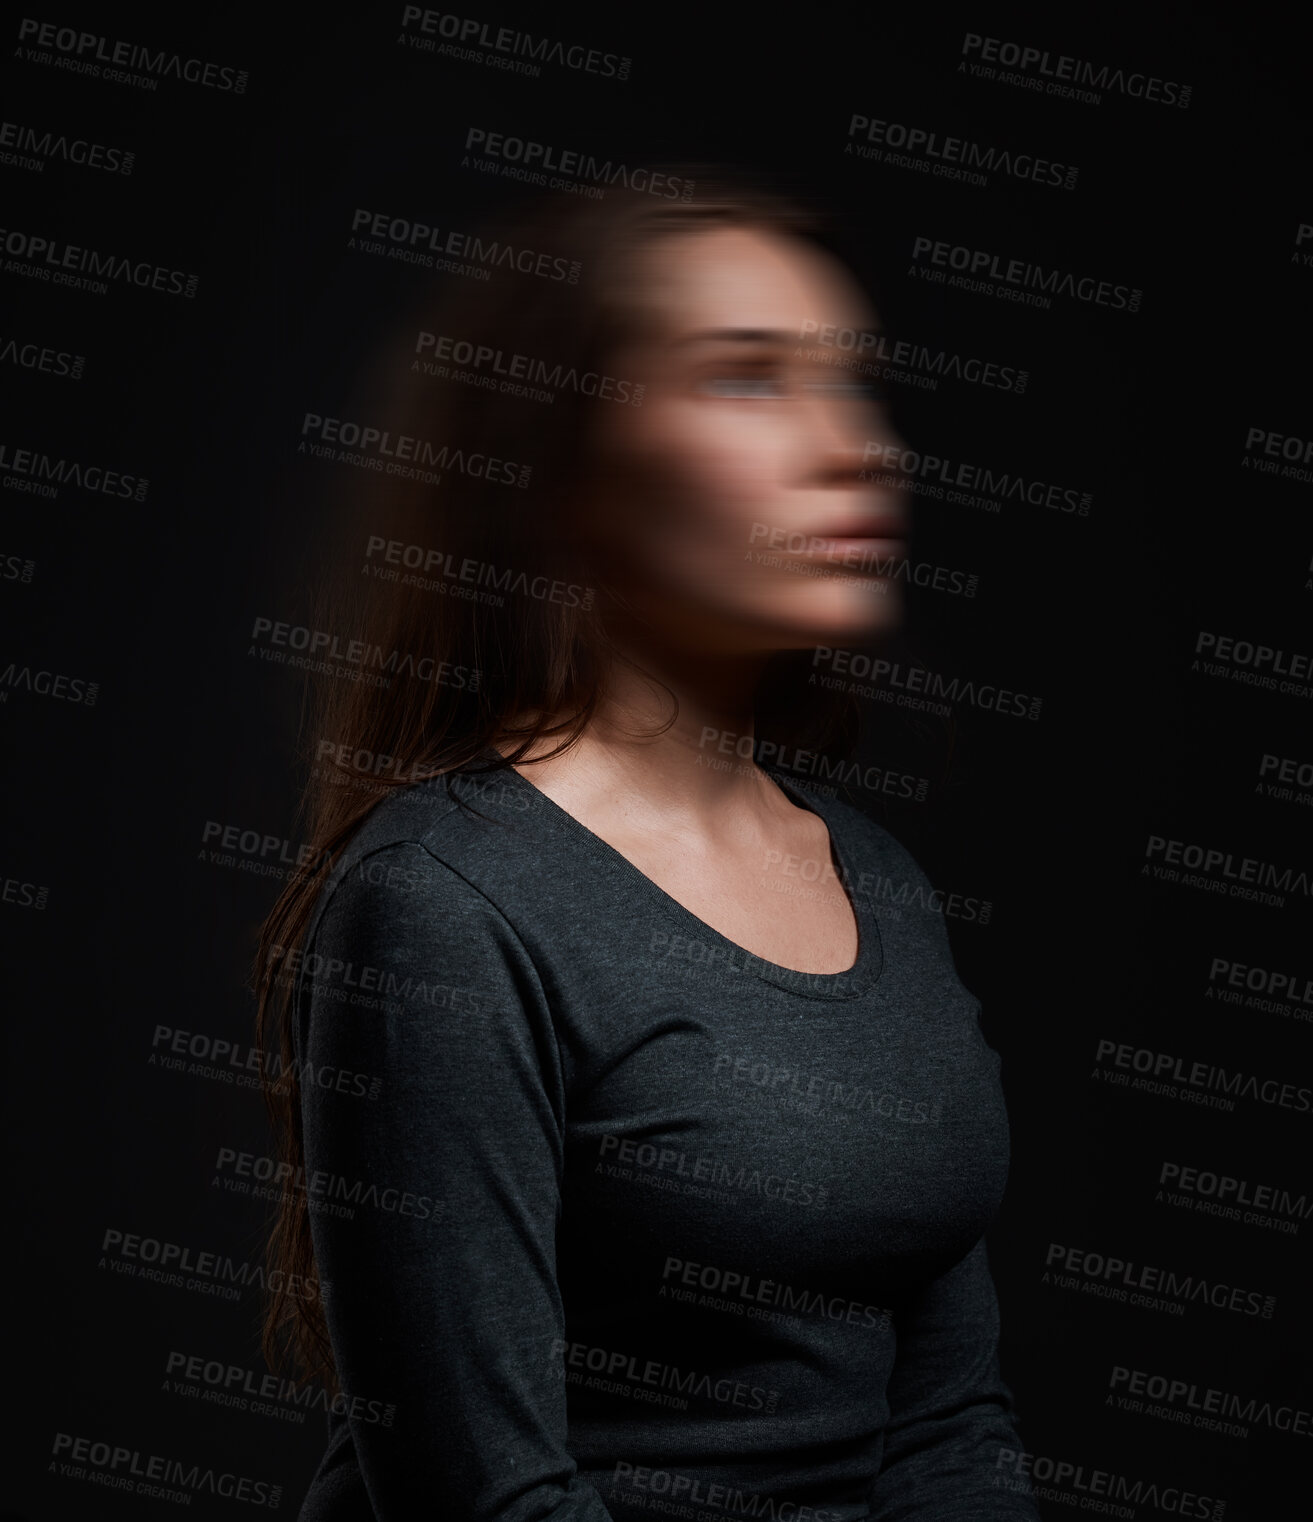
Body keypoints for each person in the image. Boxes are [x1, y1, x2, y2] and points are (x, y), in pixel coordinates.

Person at [252, 166, 1042, 1521]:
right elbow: (487, 1499)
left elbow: (949, 1428)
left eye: (850, 381)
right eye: (747, 376)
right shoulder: (444, 900)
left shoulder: (882, 885)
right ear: (559, 473)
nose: (856, 445)